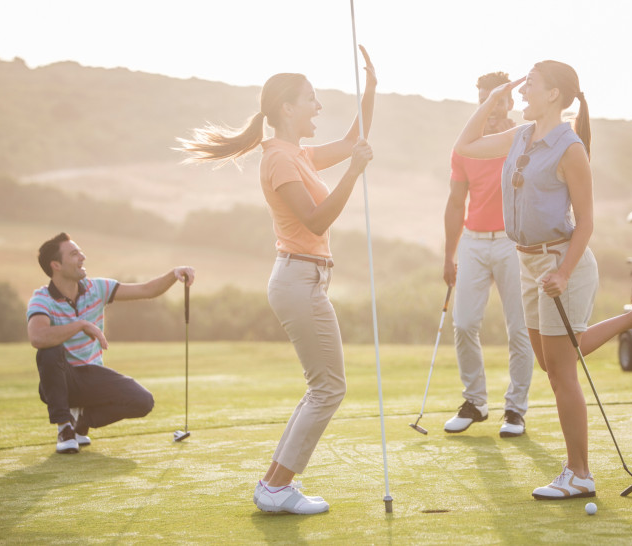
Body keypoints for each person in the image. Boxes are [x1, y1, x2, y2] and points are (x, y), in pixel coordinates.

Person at [454, 60, 632, 500]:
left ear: (553, 94)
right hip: (528, 264)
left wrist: (563, 271)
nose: (521, 92)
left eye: (529, 85)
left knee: (561, 370)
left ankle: (580, 473)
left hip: (561, 262)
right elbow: (466, 146)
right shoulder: (519, 135)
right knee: (549, 359)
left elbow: (587, 220)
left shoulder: (570, 147)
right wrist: (494, 100)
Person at [177, 46, 376, 515]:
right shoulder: (280, 160)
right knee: (329, 388)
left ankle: (274, 484)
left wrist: (371, 88)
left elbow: (355, 137)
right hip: (298, 281)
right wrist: (354, 172)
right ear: (287, 107)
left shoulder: (298, 154)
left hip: (305, 280)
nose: (318, 108)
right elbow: (316, 222)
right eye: (311, 99)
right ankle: (277, 486)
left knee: (321, 386)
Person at [27, 232, 195, 455]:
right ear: (56, 265)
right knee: (48, 353)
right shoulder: (42, 298)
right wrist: (80, 325)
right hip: (61, 380)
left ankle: (81, 421)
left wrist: (174, 274)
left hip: (93, 375)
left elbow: (147, 289)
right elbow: (38, 338)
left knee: (142, 401)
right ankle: (64, 427)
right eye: (75, 254)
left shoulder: (96, 289)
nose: (82, 257)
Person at [442, 71, 534, 437]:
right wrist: (449, 255)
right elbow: (454, 202)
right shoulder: (465, 148)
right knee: (463, 324)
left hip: (514, 242)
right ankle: (475, 402)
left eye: (498, 100)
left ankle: (515, 409)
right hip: (474, 242)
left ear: (511, 102)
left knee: (520, 330)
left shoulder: (523, 139)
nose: (492, 108)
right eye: (485, 99)